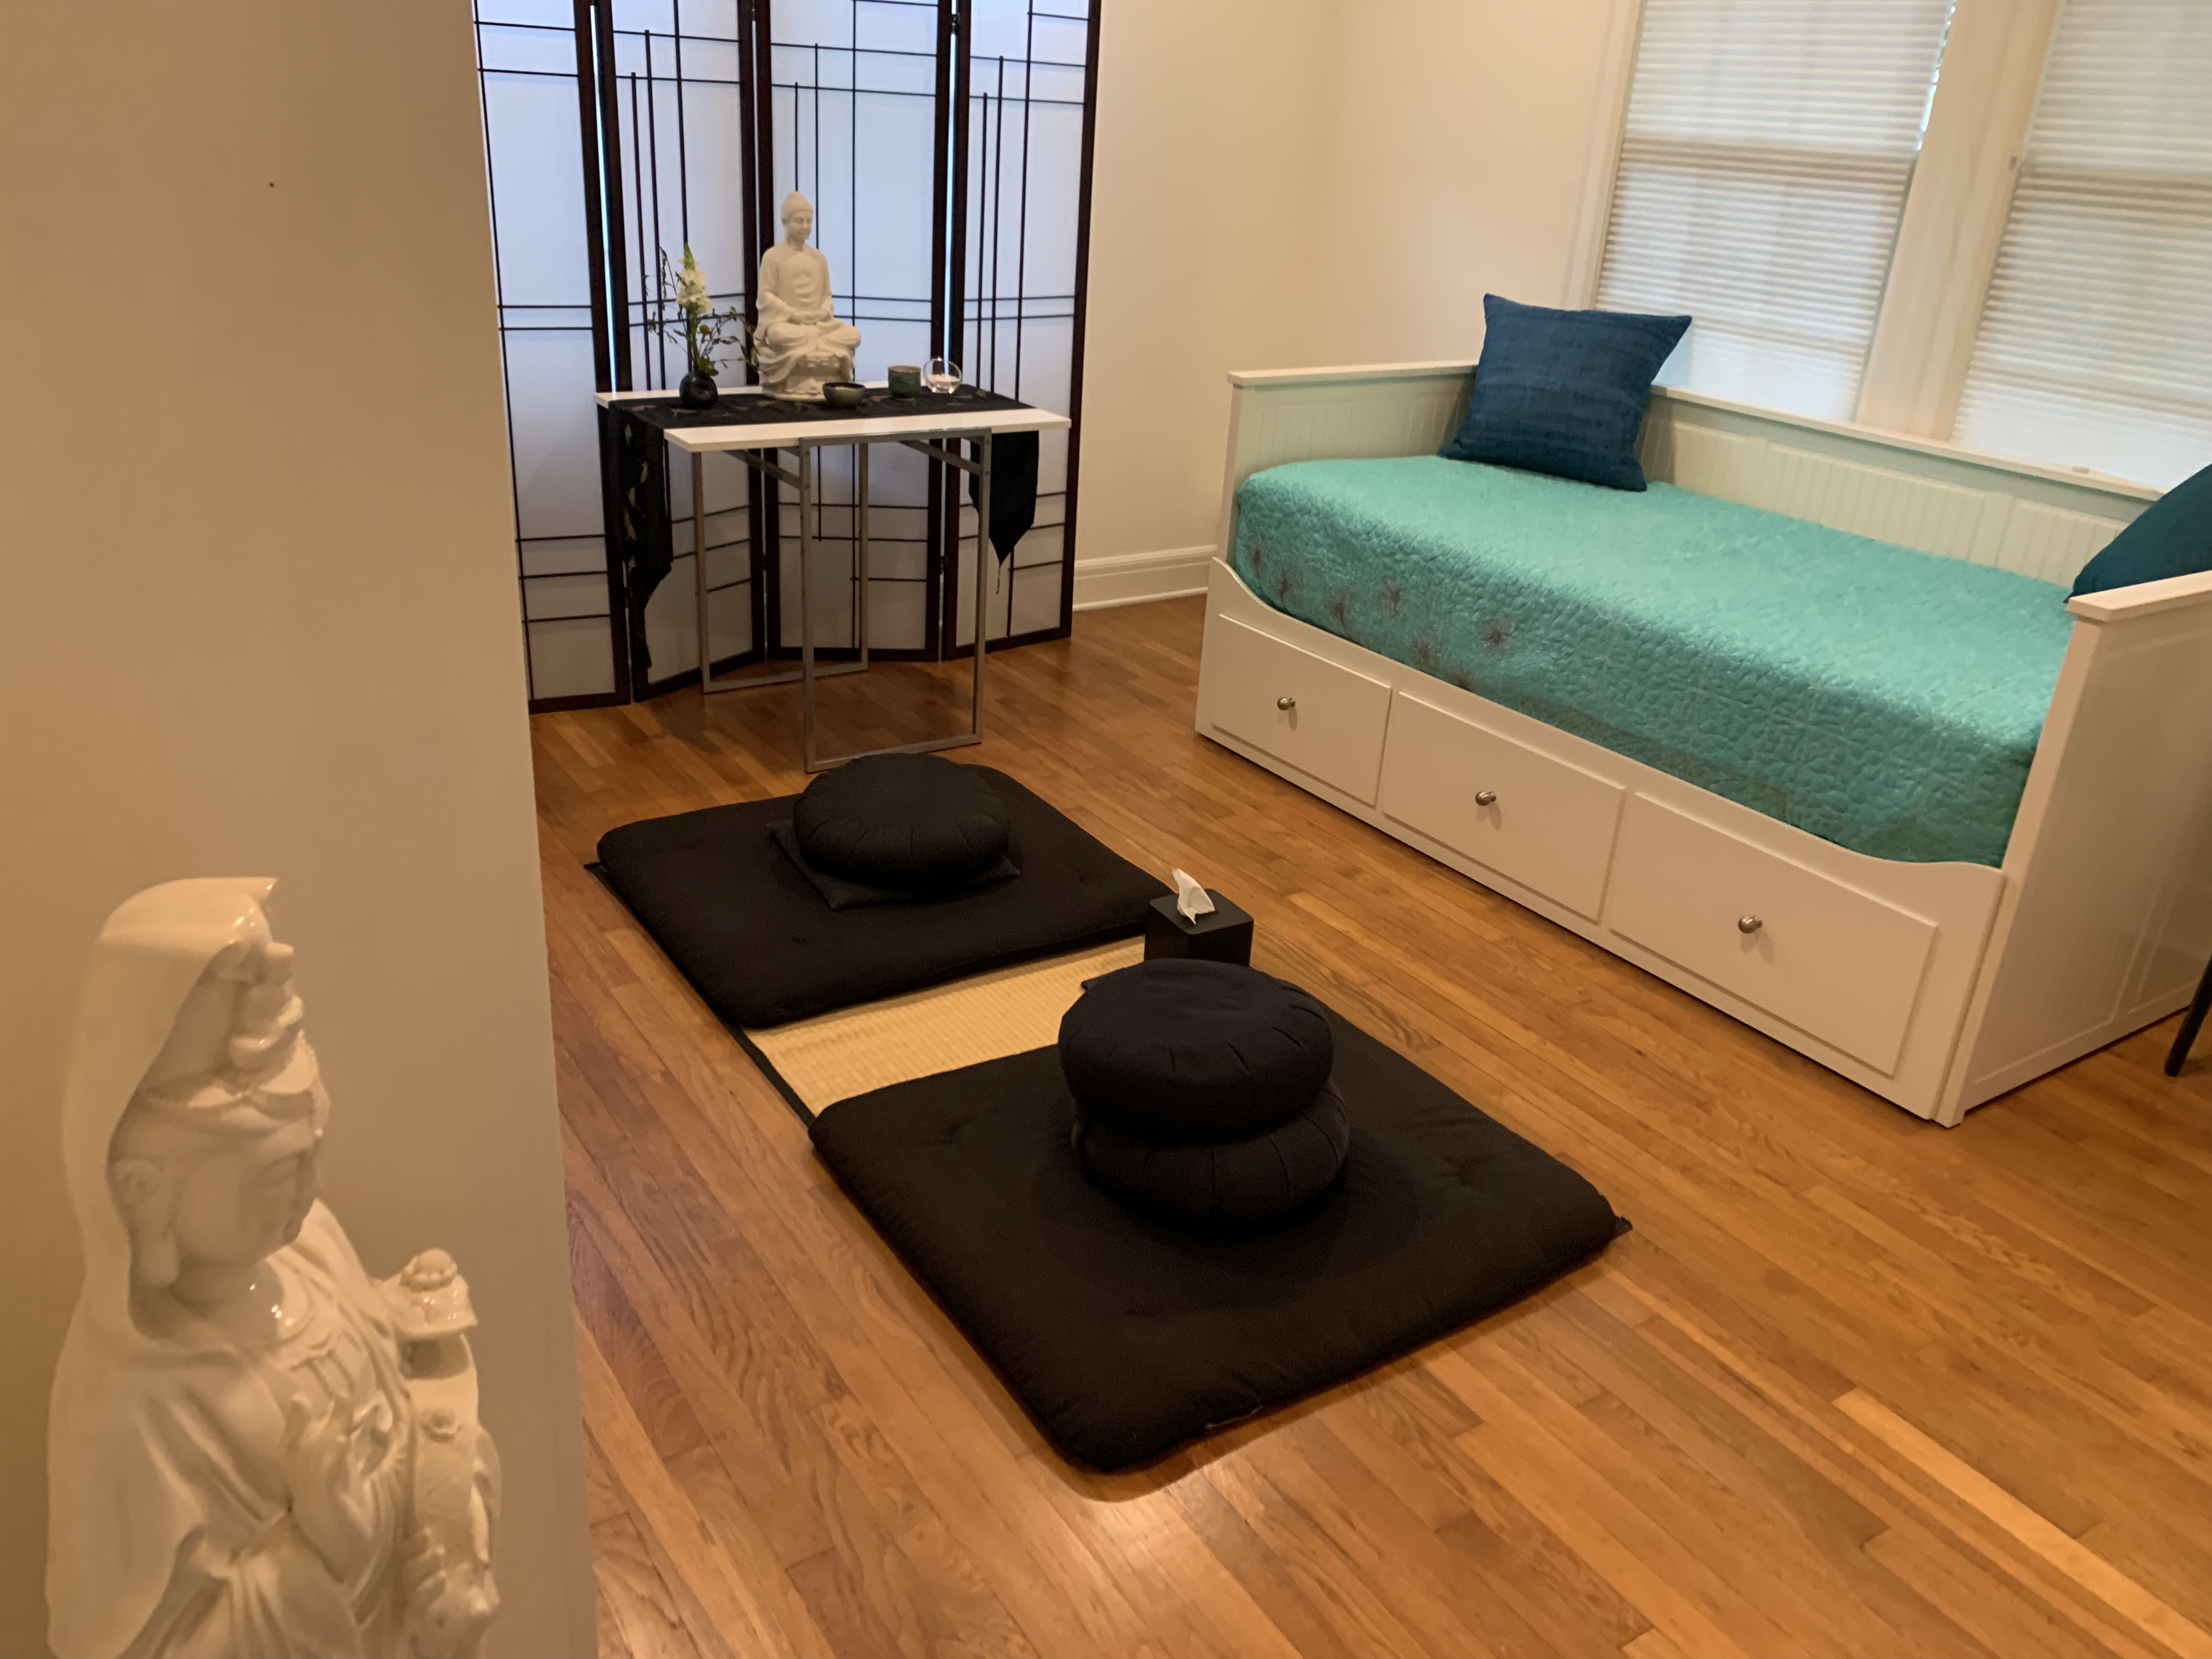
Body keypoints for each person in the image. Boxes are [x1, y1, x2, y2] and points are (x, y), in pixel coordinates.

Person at [48, 878, 498, 1659]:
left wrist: (451, 1501)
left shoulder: (313, 1247)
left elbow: (406, 1422)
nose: (308, 1195)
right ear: (144, 1186)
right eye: (274, 1174)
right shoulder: (131, 1407)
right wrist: (317, 1555)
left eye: (312, 1156)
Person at [754, 191, 862, 398]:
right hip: (789, 324)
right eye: (800, 221)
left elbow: (826, 295)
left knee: (853, 334)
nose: (805, 226)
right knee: (779, 335)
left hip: (819, 324)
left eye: (809, 221)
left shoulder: (818, 258)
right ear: (786, 222)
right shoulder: (773, 257)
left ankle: (813, 345)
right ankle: (812, 349)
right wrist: (793, 314)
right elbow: (766, 295)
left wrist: (823, 311)